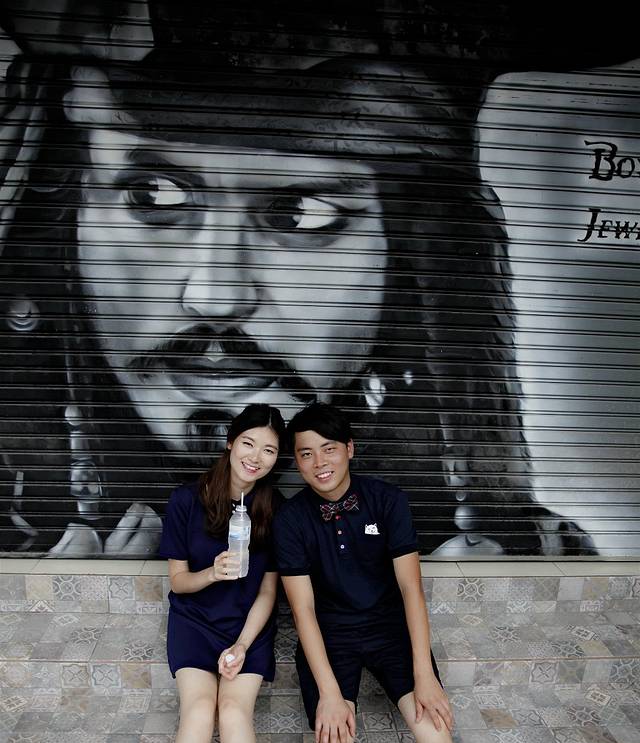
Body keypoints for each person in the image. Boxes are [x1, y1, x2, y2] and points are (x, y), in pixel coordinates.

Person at [0, 6, 597, 558]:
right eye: (153, 196)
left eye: (301, 214)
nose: (215, 297)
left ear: (410, 264)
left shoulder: (512, 562)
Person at [272, 402, 581, 743]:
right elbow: (304, 612)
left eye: (329, 449)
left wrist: (425, 674)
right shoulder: (292, 519)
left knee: (431, 721)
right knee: (334, 735)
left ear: (350, 449)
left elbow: (412, 590)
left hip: (391, 628)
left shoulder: (387, 500)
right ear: (296, 462)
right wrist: (329, 693)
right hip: (332, 635)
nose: (319, 462)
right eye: (305, 454)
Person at [157, 402, 285, 743]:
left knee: (233, 712)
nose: (256, 457)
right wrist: (213, 572)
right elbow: (178, 581)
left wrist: (243, 644)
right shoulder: (186, 499)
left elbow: (268, 592)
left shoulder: (275, 509)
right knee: (198, 710)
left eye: (269, 450)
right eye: (248, 443)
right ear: (230, 443)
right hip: (193, 622)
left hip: (246, 627)